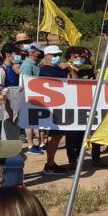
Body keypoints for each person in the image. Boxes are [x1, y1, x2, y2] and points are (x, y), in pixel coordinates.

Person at [39, 45, 69, 175]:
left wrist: (70, 69)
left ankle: (51, 163)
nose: (57, 57)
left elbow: (73, 81)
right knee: (54, 136)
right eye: (54, 55)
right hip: (52, 108)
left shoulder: (61, 68)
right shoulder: (45, 70)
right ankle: (49, 165)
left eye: (58, 55)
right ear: (47, 56)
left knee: (57, 136)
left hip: (62, 106)